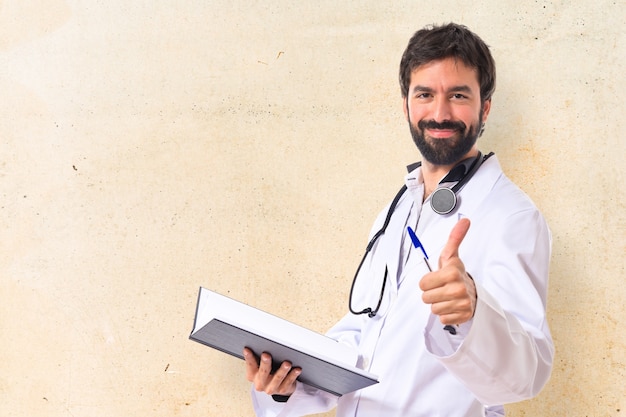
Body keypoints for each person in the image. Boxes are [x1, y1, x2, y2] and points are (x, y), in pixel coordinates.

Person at [242, 22, 554, 417]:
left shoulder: (512, 216)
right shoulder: (399, 209)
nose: (440, 113)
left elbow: (529, 373)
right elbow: (366, 337)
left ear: (485, 106)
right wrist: (286, 381)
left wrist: (473, 315)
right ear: (406, 103)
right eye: (425, 94)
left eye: (458, 95)